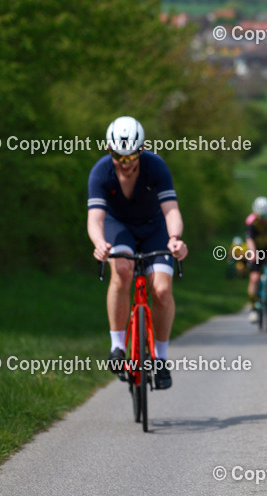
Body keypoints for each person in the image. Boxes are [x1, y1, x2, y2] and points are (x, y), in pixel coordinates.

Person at [88, 115, 187, 390]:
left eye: (131, 155)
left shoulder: (156, 167)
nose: (125, 162)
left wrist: (175, 239)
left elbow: (171, 210)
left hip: (155, 227)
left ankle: (161, 359)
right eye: (118, 155)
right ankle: (118, 346)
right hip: (118, 227)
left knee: (163, 291)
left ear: (141, 150)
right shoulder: (100, 172)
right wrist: (99, 243)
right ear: (109, 150)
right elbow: (95, 217)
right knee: (121, 271)